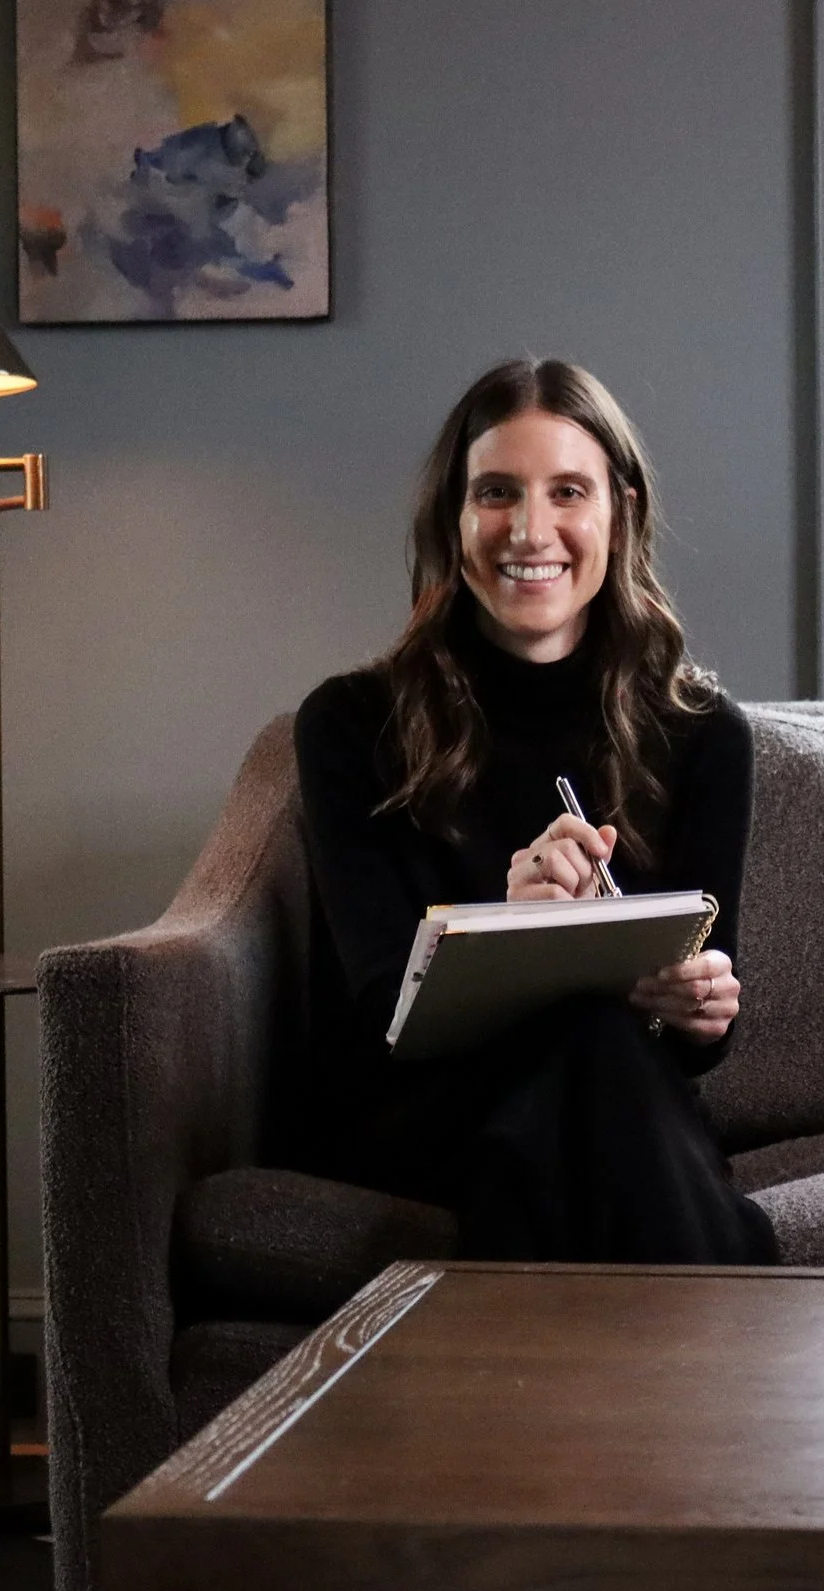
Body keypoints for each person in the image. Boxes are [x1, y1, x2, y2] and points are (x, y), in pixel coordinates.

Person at [291, 356, 778, 1267]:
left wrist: (699, 1007)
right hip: (425, 1109)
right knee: (583, 1052)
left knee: (591, 1056)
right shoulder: (351, 723)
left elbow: (703, 1043)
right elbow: (375, 1024)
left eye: (567, 492)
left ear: (619, 512)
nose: (530, 528)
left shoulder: (705, 733)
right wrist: (501, 932)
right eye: (497, 493)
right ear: (455, 516)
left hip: (613, 1098)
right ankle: (738, 1325)